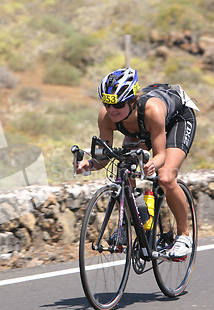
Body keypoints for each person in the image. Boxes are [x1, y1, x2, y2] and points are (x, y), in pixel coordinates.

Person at [76, 68, 197, 258]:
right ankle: (132, 220)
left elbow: (160, 156)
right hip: (141, 129)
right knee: (124, 166)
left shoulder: (152, 110)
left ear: (132, 101)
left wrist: (153, 165)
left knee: (166, 177)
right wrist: (89, 165)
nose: (111, 110)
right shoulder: (106, 117)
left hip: (176, 120)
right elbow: (103, 157)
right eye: (107, 104)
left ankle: (184, 235)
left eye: (118, 104)